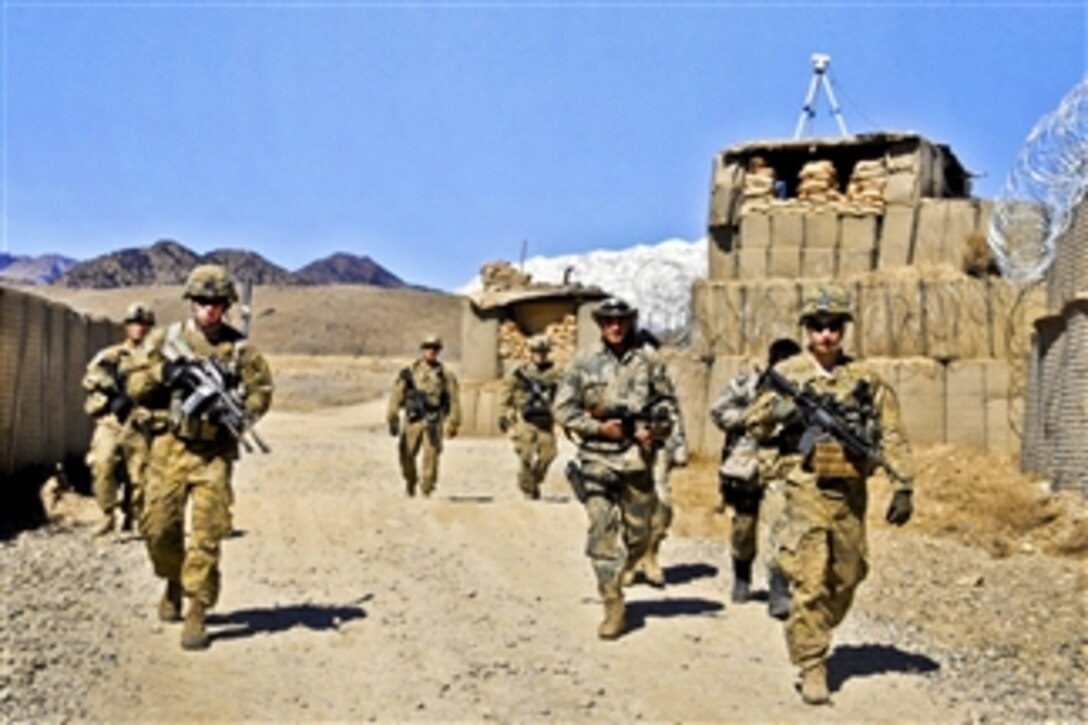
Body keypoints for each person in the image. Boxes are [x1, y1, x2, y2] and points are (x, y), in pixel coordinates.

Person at [746, 284, 915, 705]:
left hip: (850, 492)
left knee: (849, 574)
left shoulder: (866, 379)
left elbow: (891, 433)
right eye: (818, 326)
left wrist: (903, 484)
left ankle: (818, 625)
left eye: (834, 326)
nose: (826, 334)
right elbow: (752, 424)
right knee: (810, 578)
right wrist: (779, 412)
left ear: (843, 330)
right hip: (804, 490)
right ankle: (811, 663)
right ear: (806, 330)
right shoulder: (790, 375)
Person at [126, 265, 274, 651]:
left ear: (227, 305)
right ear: (191, 302)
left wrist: (238, 409)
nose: (209, 309)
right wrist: (166, 372)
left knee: (208, 535)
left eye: (217, 302)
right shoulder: (165, 340)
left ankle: (197, 609)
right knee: (159, 529)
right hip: (169, 449)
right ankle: (173, 580)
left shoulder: (240, 350)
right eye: (202, 301)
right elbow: (134, 384)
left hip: (213, 455)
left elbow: (262, 392)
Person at [554, 298, 675, 640]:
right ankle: (613, 604)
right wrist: (598, 429)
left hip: (636, 461)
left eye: (621, 320)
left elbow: (667, 405)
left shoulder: (649, 360)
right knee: (602, 532)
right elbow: (563, 409)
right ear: (600, 323)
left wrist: (654, 429)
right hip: (596, 460)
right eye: (608, 320)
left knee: (639, 536)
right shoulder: (584, 361)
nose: (615, 326)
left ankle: (625, 568)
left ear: (631, 322)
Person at [709, 337, 801, 611]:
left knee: (780, 526)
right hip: (747, 464)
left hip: (782, 465)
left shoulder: (803, 390)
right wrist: (755, 417)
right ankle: (741, 572)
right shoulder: (749, 383)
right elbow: (718, 411)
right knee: (743, 528)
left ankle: (778, 587)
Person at [82, 302, 157, 536]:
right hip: (111, 421)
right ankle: (107, 516)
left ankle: (132, 519)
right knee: (101, 465)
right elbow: (89, 379)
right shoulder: (109, 355)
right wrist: (111, 388)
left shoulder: (156, 358)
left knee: (140, 475)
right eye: (134, 323)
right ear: (127, 326)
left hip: (140, 422)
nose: (139, 329)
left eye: (144, 324)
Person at [624, 328, 687, 587]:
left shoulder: (661, 381)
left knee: (662, 503)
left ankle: (651, 555)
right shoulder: (620, 380)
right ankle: (630, 562)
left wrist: (679, 446)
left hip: (659, 449)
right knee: (630, 507)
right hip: (628, 450)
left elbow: (674, 411)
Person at [387, 334, 461, 498]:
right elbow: (396, 395)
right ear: (422, 349)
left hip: (434, 421)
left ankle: (426, 490)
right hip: (413, 420)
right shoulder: (409, 373)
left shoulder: (445, 374)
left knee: (431, 457)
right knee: (406, 455)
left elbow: (454, 399)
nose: (431, 351)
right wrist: (392, 417)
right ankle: (411, 481)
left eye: (435, 348)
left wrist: (453, 423)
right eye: (428, 347)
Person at [498, 334, 563, 500]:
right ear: (531, 352)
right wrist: (504, 417)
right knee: (525, 454)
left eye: (543, 352)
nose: (540, 355)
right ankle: (527, 489)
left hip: (545, 420)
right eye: (536, 351)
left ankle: (534, 480)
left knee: (549, 454)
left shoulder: (555, 373)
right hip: (524, 419)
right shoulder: (519, 372)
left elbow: (564, 394)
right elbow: (506, 395)